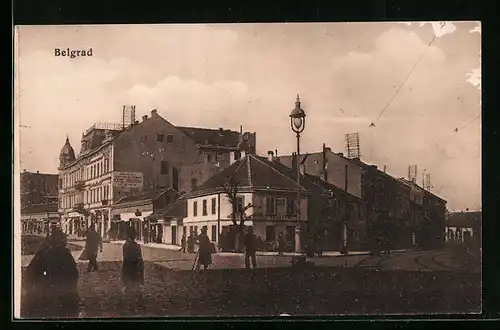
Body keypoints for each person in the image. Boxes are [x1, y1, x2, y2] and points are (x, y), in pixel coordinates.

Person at [24, 228, 80, 318]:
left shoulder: (42, 253)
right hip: (63, 296)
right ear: (61, 242)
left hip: (46, 296)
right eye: (64, 241)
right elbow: (74, 275)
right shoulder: (65, 254)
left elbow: (29, 275)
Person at [121, 226, 144, 294]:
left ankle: (129, 289)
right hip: (134, 265)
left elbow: (125, 255)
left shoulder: (126, 245)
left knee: (128, 280)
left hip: (127, 264)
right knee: (134, 279)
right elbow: (139, 257)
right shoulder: (135, 246)